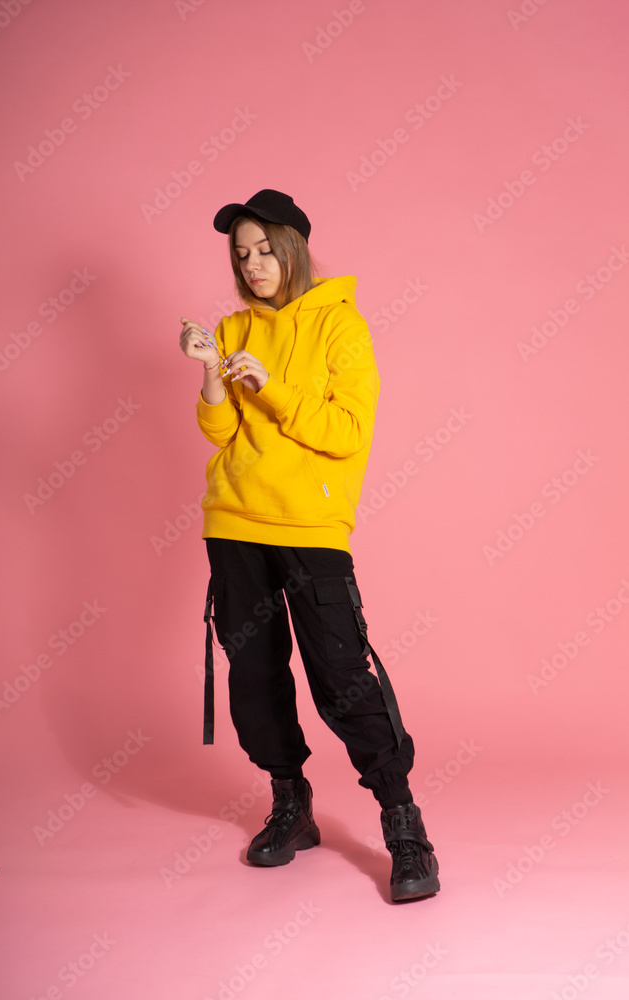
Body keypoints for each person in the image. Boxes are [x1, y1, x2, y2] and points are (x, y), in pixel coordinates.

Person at [179, 189, 440, 902]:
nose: (253, 265)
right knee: (253, 675)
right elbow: (220, 431)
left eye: (265, 250)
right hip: (234, 524)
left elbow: (346, 432)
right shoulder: (234, 327)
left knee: (342, 675)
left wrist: (272, 387)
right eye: (241, 254)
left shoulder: (340, 325)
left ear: (293, 247)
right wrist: (209, 366)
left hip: (310, 528)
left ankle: (402, 821)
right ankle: (290, 802)